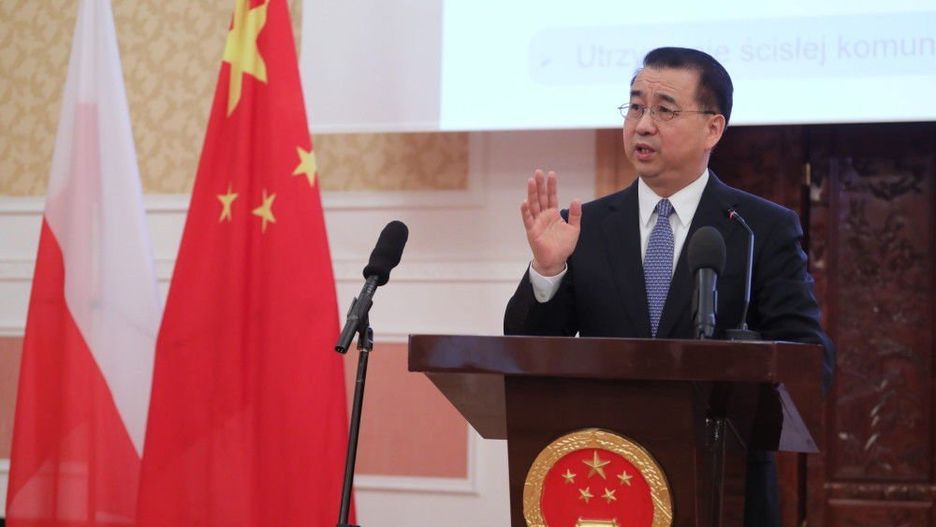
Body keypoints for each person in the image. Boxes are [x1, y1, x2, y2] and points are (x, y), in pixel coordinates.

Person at [504, 47, 834, 527]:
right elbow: (526, 351)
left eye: (664, 110)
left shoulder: (759, 227)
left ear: (713, 129)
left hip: (725, 490)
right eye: (635, 106)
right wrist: (547, 269)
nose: (642, 125)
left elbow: (809, 360)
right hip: (606, 484)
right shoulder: (583, 227)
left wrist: (737, 371)